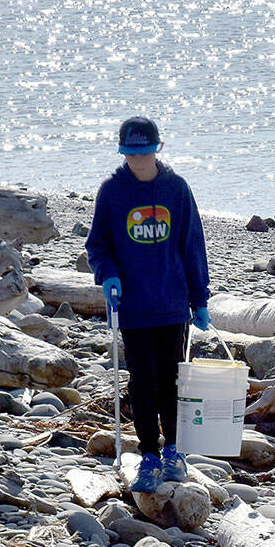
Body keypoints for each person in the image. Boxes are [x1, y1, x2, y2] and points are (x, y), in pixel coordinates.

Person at [86, 116, 212, 492]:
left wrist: (199, 298)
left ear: (157, 149)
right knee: (143, 382)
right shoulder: (112, 192)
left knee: (172, 382)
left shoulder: (176, 189)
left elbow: (192, 246)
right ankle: (148, 455)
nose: (137, 161)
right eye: (131, 154)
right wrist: (107, 274)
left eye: (143, 153)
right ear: (123, 152)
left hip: (172, 304)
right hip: (134, 307)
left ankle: (175, 451)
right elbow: (98, 245)